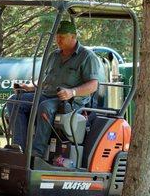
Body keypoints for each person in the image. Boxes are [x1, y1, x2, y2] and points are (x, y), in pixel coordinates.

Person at [6, 20, 103, 158]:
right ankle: (19, 148)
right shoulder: (54, 56)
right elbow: (45, 81)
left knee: (45, 107)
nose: (58, 40)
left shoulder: (87, 57)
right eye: (57, 37)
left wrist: (72, 92)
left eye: (62, 37)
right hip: (47, 95)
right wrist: (28, 87)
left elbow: (93, 85)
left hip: (72, 101)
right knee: (15, 101)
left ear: (73, 37)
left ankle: (36, 153)